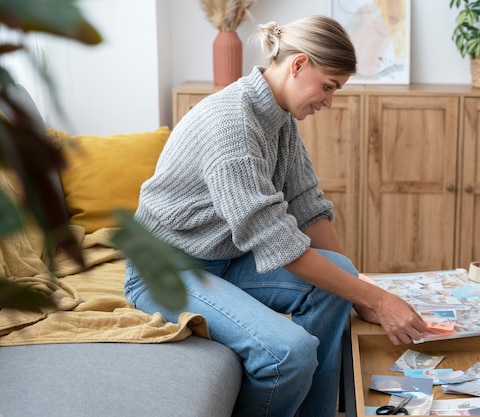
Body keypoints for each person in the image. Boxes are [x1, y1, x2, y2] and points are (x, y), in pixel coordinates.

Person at [124, 15, 427, 417]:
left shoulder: (278, 117)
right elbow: (277, 242)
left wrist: (357, 289)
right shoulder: (231, 124)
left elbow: (306, 205)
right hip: (162, 271)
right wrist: (377, 298)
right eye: (328, 87)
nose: (328, 102)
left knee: (339, 279)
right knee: (290, 353)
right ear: (299, 64)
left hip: (224, 258)